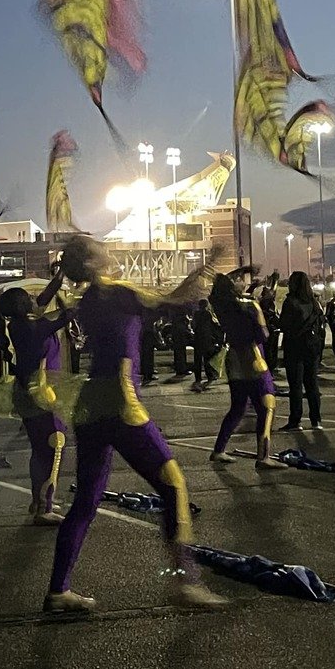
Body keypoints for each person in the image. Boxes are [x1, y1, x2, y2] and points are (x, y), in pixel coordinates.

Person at [42, 237, 222, 614]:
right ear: (93, 260)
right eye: (101, 247)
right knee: (172, 483)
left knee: (86, 500)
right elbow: (174, 301)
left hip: (90, 403)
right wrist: (206, 268)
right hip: (121, 402)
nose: (109, 250)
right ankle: (185, 582)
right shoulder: (117, 291)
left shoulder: (89, 299)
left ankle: (59, 589)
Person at [0, 276, 70, 524]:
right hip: (43, 391)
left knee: (39, 449)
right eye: (29, 298)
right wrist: (72, 298)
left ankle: (38, 501)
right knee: (54, 445)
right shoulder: (36, 326)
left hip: (25, 390)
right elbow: (68, 315)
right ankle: (45, 508)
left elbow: (44, 302)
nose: (35, 299)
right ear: (24, 305)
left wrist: (60, 276)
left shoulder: (16, 325)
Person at [210, 272, 280, 467]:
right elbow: (262, 335)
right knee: (267, 407)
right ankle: (264, 456)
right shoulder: (249, 306)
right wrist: (261, 311)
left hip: (234, 360)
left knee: (237, 408)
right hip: (254, 359)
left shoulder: (224, 308)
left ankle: (219, 450)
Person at [278, 272, 326, 429]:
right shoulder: (314, 302)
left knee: (296, 385)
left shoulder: (290, 302)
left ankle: (295, 420)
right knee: (312, 384)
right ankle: (316, 420)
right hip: (312, 347)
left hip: (294, 346)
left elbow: (284, 325)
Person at [190, 297, 222, 392]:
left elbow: (194, 325)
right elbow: (213, 325)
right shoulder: (207, 314)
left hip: (198, 338)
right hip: (206, 338)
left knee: (198, 359)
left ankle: (198, 378)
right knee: (207, 358)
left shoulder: (196, 314)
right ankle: (209, 376)